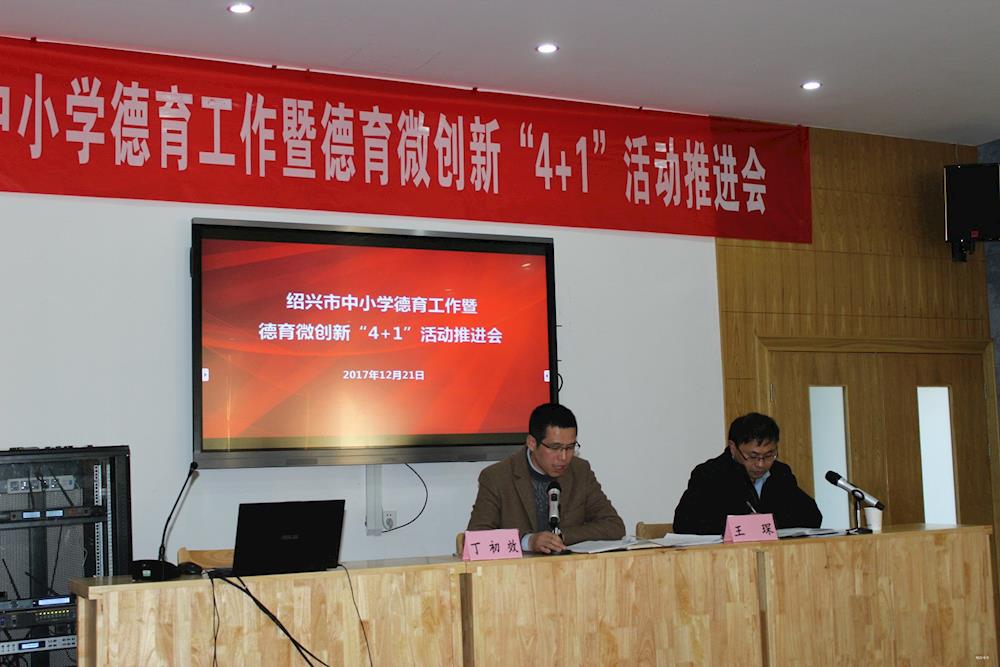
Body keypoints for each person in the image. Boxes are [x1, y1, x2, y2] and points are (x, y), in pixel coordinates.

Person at [466, 403, 625, 553]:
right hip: (518, 571)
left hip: (571, 570)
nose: (563, 457)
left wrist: (561, 537)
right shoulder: (497, 477)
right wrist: (528, 541)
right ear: (532, 443)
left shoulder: (580, 471)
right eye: (555, 448)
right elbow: (475, 540)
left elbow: (614, 526)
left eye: (570, 447)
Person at [672, 412, 821, 534]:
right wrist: (742, 524)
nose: (761, 464)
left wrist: (771, 522)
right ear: (733, 447)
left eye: (769, 455)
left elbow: (812, 516)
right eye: (753, 456)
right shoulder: (710, 474)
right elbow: (684, 523)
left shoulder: (780, 473)